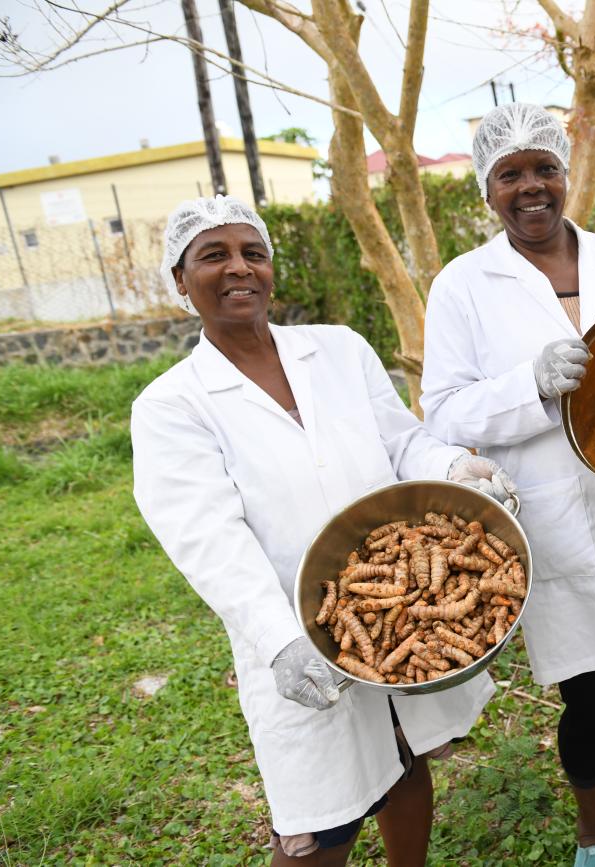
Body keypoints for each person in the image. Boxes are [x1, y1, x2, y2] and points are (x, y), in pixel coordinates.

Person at [131, 195, 516, 866]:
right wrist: (281, 641)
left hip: (402, 609)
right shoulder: (172, 405)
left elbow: (402, 445)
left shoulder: (338, 350)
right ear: (180, 281)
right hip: (297, 627)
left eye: (252, 251)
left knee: (404, 756)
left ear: (272, 267)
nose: (237, 268)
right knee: (318, 824)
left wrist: (456, 465)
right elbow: (208, 538)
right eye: (212, 255)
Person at [419, 103, 595, 867]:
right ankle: (594, 834)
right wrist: (532, 385)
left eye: (544, 168)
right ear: (487, 190)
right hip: (557, 518)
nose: (531, 188)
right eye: (510, 174)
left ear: (567, 173)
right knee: (591, 692)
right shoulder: (463, 286)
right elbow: (444, 411)